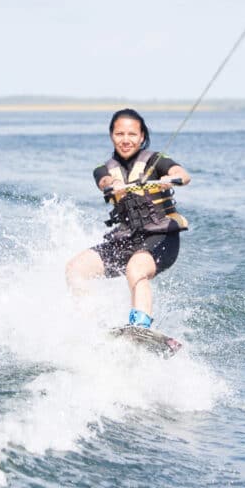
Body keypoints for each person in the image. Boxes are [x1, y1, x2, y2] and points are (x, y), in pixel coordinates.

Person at [66, 108, 191, 328]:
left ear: (142, 137)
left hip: (162, 238)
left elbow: (182, 173)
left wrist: (172, 178)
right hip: (128, 239)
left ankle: (141, 327)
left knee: (135, 269)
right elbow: (103, 181)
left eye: (132, 134)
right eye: (119, 134)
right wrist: (113, 184)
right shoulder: (103, 169)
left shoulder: (156, 160)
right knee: (76, 269)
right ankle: (93, 326)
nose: (126, 140)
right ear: (111, 136)